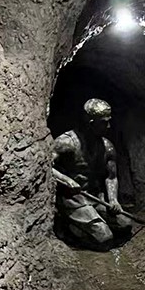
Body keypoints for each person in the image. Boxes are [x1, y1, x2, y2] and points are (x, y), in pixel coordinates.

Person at [51, 98, 133, 250]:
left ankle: (91, 222)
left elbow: (111, 176)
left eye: (108, 121)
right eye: (103, 122)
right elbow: (45, 166)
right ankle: (69, 228)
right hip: (73, 201)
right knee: (105, 238)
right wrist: (66, 180)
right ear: (91, 123)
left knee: (125, 224)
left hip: (96, 198)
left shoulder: (107, 147)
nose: (108, 126)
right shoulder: (66, 143)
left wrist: (113, 200)